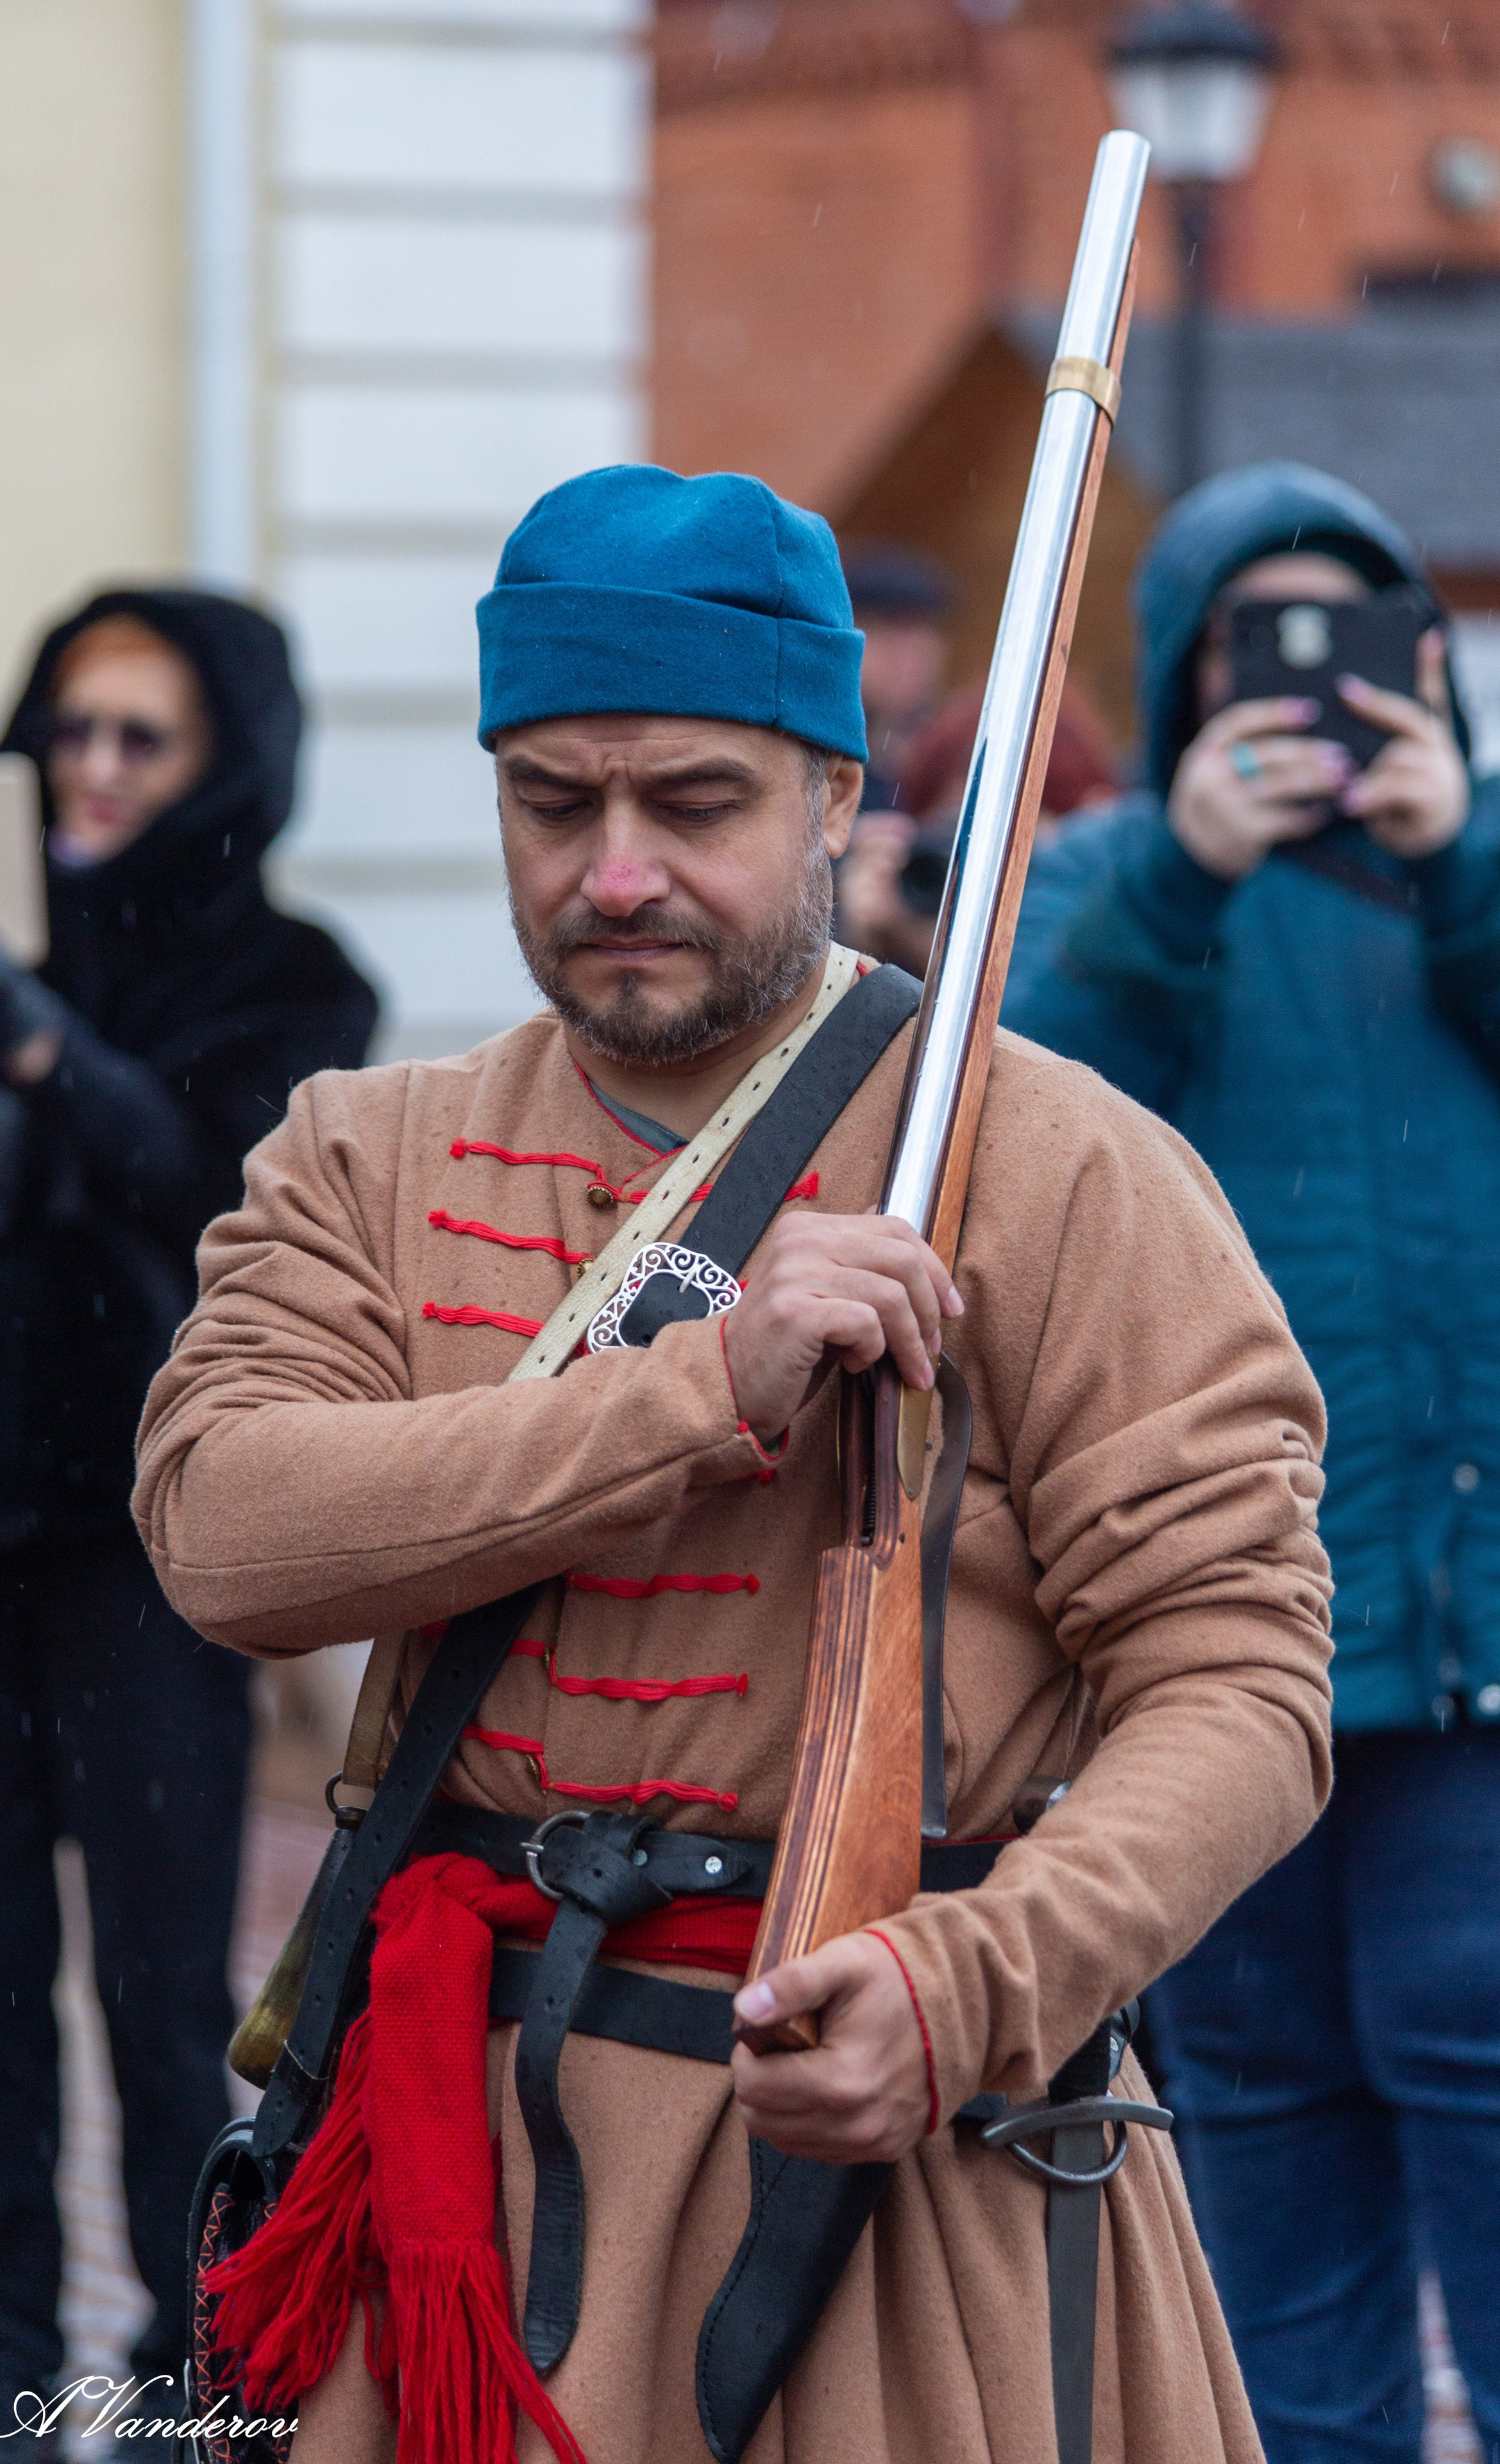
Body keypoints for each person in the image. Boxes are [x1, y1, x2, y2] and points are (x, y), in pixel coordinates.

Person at [133, 464, 1331, 2464]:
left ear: (839, 797)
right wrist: (703, 1391)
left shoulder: (1064, 1167)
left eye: (693, 802)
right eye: (551, 803)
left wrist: (975, 1978)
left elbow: (1242, 1678)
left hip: (898, 2160)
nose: (613, 872)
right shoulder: (364, 1150)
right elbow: (226, 1531)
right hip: (449, 2167)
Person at [1001, 462, 1500, 2463]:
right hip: (1206, 1653)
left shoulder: (1471, 865)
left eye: (1352, 644)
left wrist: (1457, 864)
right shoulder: (1102, 880)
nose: (1309, 697)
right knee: (1265, 2150)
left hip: (1469, 1660)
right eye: (1249, 651)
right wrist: (1173, 882)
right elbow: (1008, 1134)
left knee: (1475, 2084)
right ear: (1179, 677)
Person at [0, 588, 378, 2442]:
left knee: (171, 1995)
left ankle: (188, 2369)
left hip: (149, 1545)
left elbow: (199, 1181)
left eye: (140, 739)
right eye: (66, 728)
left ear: (228, 759)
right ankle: (3, 2373)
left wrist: (34, 1042)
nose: (89, 770)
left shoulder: (293, 978)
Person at [836, 677, 1122, 974]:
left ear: (1093, 821)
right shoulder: (903, 926)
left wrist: (942, 964)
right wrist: (858, 957)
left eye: (1006, 840)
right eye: (951, 832)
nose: (976, 873)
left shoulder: (1117, 935)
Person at [841, 541, 956, 813]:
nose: (907, 660)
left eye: (921, 639)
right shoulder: (814, 743)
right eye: (889, 637)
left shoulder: (949, 749)